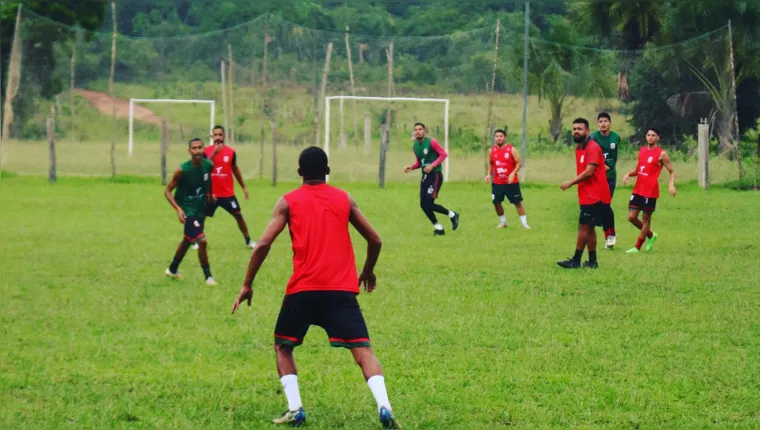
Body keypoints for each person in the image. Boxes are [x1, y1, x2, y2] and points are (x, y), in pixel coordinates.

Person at [231, 147, 400, 429]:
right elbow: (375, 240)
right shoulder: (344, 199)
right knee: (363, 351)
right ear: (327, 171)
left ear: (299, 173)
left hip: (303, 290)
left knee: (283, 346)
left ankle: (295, 408)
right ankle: (384, 405)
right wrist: (368, 270)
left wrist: (248, 284)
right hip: (341, 292)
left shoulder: (287, 202)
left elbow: (262, 244)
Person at [557, 118, 612, 269]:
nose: (576, 131)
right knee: (590, 228)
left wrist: (570, 182)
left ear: (587, 131)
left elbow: (589, 172)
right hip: (587, 194)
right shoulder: (579, 148)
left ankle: (575, 260)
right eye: (574, 129)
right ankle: (593, 261)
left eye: (579, 129)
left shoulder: (592, 147)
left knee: (583, 227)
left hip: (595, 196)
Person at [163, 138, 217, 285]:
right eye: (194, 148)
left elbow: (208, 181)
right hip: (187, 210)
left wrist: (210, 196)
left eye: (200, 148)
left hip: (200, 208)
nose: (197, 151)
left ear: (204, 149)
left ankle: (172, 269)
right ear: (189, 151)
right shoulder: (182, 170)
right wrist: (178, 208)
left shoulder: (208, 165)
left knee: (188, 240)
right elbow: (167, 191)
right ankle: (208, 277)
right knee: (202, 241)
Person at [622, 127, 677, 253]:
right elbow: (638, 170)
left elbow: (672, 172)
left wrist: (671, 185)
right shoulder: (641, 151)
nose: (650, 137)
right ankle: (651, 235)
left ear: (657, 137)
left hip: (650, 191)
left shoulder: (662, 154)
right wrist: (628, 174)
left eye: (653, 135)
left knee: (646, 219)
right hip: (638, 189)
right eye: (648, 135)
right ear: (646, 137)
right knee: (631, 217)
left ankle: (637, 247)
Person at [201, 125, 255, 249]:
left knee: (239, 216)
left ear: (224, 136)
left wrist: (244, 187)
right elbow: (203, 168)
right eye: (216, 135)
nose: (218, 137)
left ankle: (248, 241)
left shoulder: (230, 152)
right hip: (211, 194)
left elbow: (235, 170)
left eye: (220, 135)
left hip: (227, 194)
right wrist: (214, 153)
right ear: (212, 136)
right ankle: (198, 241)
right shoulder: (206, 151)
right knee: (201, 216)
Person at [403, 122, 460, 236]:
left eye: (420, 129)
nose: (418, 131)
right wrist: (412, 167)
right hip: (425, 176)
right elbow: (420, 162)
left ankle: (452, 214)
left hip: (435, 175)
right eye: (416, 129)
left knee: (428, 202)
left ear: (425, 131)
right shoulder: (415, 146)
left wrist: (433, 165)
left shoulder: (431, 142)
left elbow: (443, 154)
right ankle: (438, 227)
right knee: (423, 205)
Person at [484, 129, 530, 229]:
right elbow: (491, 163)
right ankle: (503, 222)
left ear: (505, 138)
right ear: (494, 138)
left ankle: (524, 224)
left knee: (517, 202)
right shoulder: (491, 151)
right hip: (497, 182)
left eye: (501, 136)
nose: (499, 138)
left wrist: (513, 173)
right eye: (497, 136)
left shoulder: (511, 149)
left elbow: (519, 163)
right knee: (496, 202)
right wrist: (488, 174)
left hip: (511, 183)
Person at [590, 112, 621, 249]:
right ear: (598, 124)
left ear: (610, 123)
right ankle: (605, 234)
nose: (603, 123)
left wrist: (607, 166)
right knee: (595, 206)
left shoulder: (615, 137)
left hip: (609, 177)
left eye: (605, 121)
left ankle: (610, 235)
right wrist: (600, 165)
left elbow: (614, 158)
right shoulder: (593, 137)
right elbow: (591, 155)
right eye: (600, 121)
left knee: (605, 205)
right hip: (594, 178)